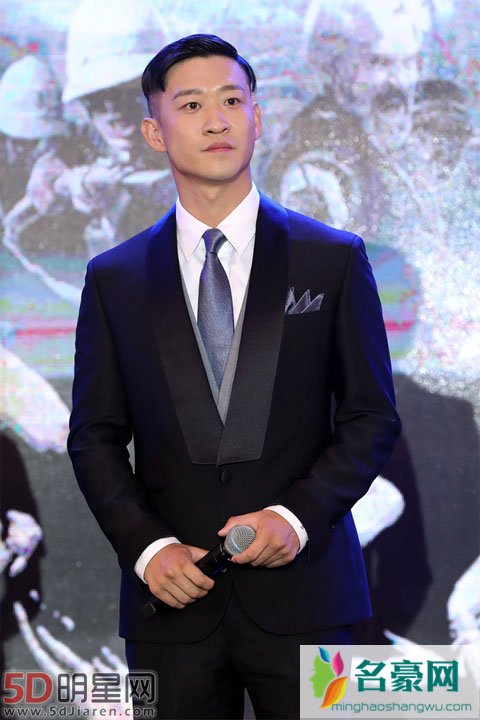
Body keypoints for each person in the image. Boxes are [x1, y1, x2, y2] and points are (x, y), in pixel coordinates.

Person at [68, 34, 401, 719]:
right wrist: (148, 549)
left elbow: (370, 417)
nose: (216, 120)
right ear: (155, 132)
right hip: (172, 604)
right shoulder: (114, 278)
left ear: (258, 117)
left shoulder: (332, 258)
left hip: (310, 598)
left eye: (231, 100)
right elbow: (94, 436)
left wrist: (296, 517)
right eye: (191, 105)